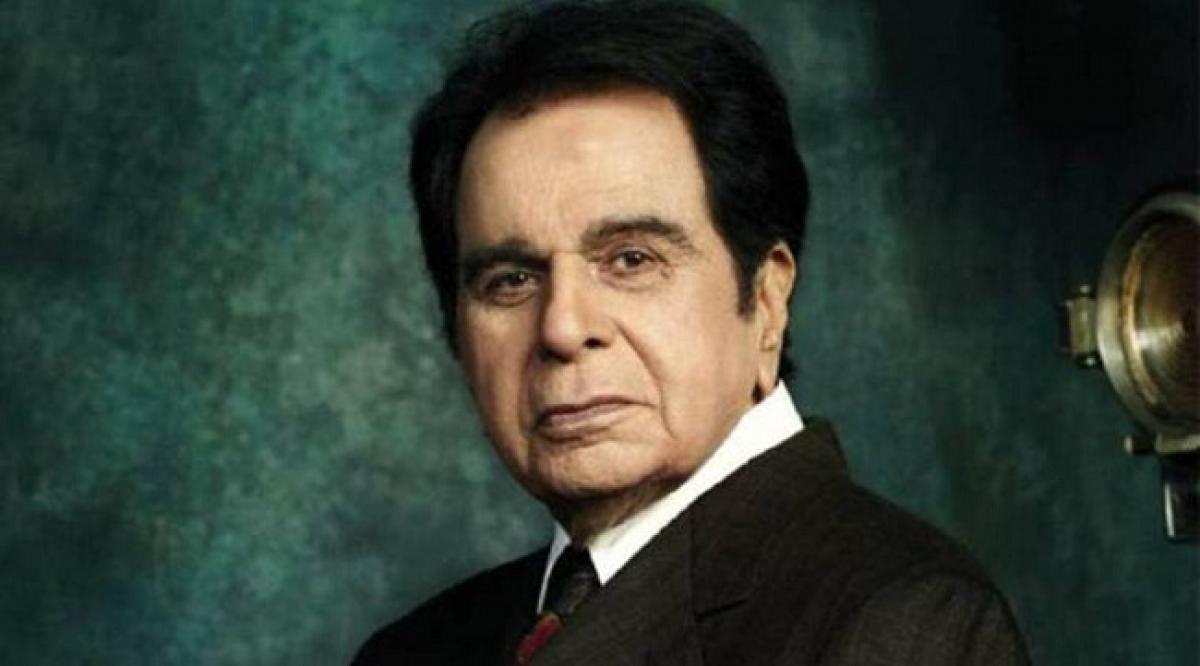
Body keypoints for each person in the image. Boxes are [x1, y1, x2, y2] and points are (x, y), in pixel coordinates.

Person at [353, 1, 1029, 664]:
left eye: (631, 260)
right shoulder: (411, 652)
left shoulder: (900, 620)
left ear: (766, 300)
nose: (562, 327)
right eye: (511, 280)